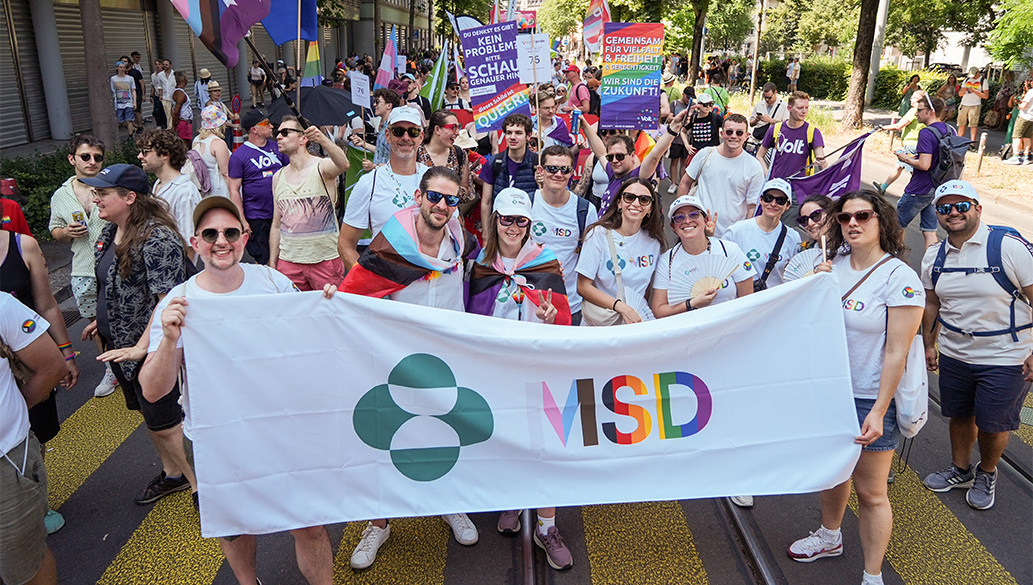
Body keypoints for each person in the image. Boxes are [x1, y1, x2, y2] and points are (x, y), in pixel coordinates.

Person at [138, 197, 335, 585]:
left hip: (284, 430)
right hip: (221, 438)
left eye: (230, 232)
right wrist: (168, 340)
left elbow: (312, 342)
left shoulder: (272, 282)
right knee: (234, 528)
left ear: (245, 238)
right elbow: (153, 390)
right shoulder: (178, 301)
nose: (221, 241)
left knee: (309, 525)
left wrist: (324, 306)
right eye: (210, 234)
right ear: (196, 243)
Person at [339, 167, 481, 569]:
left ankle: (450, 503)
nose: (442, 206)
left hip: (445, 357)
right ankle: (378, 524)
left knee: (449, 430)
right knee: (384, 437)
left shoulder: (461, 240)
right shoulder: (392, 244)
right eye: (435, 197)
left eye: (451, 200)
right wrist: (335, 297)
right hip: (394, 358)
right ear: (418, 196)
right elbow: (357, 291)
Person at [787, 191, 924, 585]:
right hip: (829, 391)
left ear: (882, 221)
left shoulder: (899, 277)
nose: (853, 224)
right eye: (845, 217)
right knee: (833, 475)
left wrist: (880, 410)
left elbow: (897, 351)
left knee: (871, 492)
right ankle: (830, 537)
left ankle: (872, 575)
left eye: (863, 216)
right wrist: (811, 290)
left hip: (869, 396)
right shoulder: (830, 265)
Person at [464, 188, 574, 570]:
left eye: (520, 220)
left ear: (529, 223)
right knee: (505, 439)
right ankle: (512, 499)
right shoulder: (479, 263)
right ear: (495, 220)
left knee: (542, 445)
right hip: (495, 370)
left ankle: (547, 527)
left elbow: (564, 322)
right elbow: (466, 314)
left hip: (535, 368)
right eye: (506, 219)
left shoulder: (545, 262)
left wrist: (549, 318)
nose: (513, 227)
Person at [79, 164, 193, 506]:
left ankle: (202, 488)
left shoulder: (157, 238)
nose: (95, 199)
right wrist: (102, 320)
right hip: (119, 347)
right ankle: (174, 474)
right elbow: (113, 284)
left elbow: (168, 303)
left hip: (151, 352)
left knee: (166, 421)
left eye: (103, 193)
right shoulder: (108, 231)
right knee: (152, 419)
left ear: (129, 198)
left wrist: (142, 347)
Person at [919, 180, 1033, 510]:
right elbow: (932, 303)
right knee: (959, 414)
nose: (953, 213)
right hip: (955, 353)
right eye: (944, 208)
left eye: (961, 206)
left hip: (1006, 355)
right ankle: (960, 469)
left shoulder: (1007, 247)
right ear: (937, 215)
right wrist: (929, 343)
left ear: (977, 209)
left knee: (993, 422)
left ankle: (986, 471)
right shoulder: (933, 256)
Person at [1, 227, 81, 535]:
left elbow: (47, 305)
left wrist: (66, 354)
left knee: (33, 431)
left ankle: (34, 494)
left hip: (32, 361)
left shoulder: (24, 246)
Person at [0, 291, 66, 585]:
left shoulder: (2, 306)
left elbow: (52, 367)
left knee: (25, 566)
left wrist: (14, 409)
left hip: (7, 464)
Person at [49, 135, 116, 397]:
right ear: (72, 159)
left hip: (115, 266)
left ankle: (139, 364)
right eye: (85, 157)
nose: (92, 162)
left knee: (126, 317)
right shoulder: (61, 195)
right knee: (96, 324)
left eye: (97, 157)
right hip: (83, 270)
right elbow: (54, 230)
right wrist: (66, 231)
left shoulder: (111, 187)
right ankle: (111, 369)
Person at [340, 106, 430, 267]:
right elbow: (345, 244)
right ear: (387, 136)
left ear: (421, 137)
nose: (406, 137)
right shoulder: (369, 183)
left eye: (413, 132)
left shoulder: (434, 179)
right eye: (398, 131)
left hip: (432, 284)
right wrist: (368, 282)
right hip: (388, 285)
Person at [269, 116, 349, 291]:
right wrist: (273, 262)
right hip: (288, 263)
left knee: (327, 314)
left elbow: (343, 164)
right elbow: (276, 225)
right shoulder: (278, 177)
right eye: (277, 133)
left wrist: (322, 139)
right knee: (294, 316)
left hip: (324, 261)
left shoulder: (322, 167)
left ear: (303, 138)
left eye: (285, 132)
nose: (278, 137)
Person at [576, 178, 666, 325]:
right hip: (601, 323)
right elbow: (582, 286)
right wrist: (620, 307)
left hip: (633, 325)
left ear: (650, 208)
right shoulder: (598, 235)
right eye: (629, 197)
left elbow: (645, 288)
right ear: (619, 202)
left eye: (644, 200)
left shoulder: (654, 243)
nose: (636, 204)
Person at [651, 194, 754, 320]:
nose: (687, 221)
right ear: (673, 227)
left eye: (694, 214)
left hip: (728, 329)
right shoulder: (667, 261)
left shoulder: (730, 250)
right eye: (679, 217)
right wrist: (691, 304)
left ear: (705, 220)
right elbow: (658, 310)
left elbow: (747, 301)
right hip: (689, 333)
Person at [530, 145, 599, 325]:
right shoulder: (527, 203)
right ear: (540, 170)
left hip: (570, 303)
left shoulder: (585, 209)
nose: (558, 174)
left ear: (572, 172)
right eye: (552, 168)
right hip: (530, 300)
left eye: (565, 169)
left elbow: (592, 258)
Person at [677, 114, 765, 237]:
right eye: (729, 132)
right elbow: (685, 183)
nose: (734, 136)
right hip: (697, 230)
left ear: (746, 136)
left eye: (739, 133)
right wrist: (680, 216)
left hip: (731, 236)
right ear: (721, 133)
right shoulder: (705, 154)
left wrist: (745, 234)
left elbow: (752, 207)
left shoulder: (754, 167)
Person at [582, 110, 688, 212]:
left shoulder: (637, 176)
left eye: (620, 156)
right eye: (610, 157)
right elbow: (600, 153)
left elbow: (654, 156)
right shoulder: (612, 173)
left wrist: (673, 128)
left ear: (632, 156)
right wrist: (584, 125)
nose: (614, 161)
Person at [228, 108, 289, 265]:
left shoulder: (277, 147)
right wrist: (242, 220)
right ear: (254, 129)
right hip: (257, 215)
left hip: (282, 212)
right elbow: (234, 190)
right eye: (266, 123)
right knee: (264, 257)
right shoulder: (239, 156)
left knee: (284, 255)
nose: (271, 127)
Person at [724, 178, 801, 291]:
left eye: (780, 200)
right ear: (761, 200)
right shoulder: (736, 231)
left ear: (788, 205)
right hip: (742, 300)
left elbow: (795, 275)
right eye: (768, 198)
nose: (773, 204)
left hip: (775, 302)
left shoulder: (793, 238)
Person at [896, 96, 949, 249]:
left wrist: (905, 158)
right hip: (938, 188)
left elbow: (924, 165)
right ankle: (930, 267)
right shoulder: (948, 129)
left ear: (931, 111)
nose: (916, 114)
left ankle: (896, 261)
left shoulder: (926, 133)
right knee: (930, 231)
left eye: (919, 110)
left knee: (895, 226)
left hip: (920, 188)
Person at [136, 129, 202, 248]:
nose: (139, 156)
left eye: (145, 152)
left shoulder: (185, 192)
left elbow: (189, 243)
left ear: (165, 155)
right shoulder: (158, 183)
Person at [755, 91, 827, 185]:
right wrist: (767, 174)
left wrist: (822, 162)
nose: (804, 111)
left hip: (800, 188)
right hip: (777, 185)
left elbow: (822, 162)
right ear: (789, 108)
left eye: (806, 108)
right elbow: (759, 156)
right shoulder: (776, 129)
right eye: (800, 108)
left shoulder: (813, 132)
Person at [480, 113, 539, 222]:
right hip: (499, 224)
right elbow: (486, 202)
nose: (512, 137)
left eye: (518, 133)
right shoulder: (493, 162)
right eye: (508, 133)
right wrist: (487, 234)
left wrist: (542, 183)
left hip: (528, 226)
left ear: (529, 136)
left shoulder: (538, 163)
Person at [873, 91, 928, 195]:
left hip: (912, 145)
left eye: (912, 97)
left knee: (914, 171)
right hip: (915, 144)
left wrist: (883, 127)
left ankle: (918, 192)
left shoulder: (914, 111)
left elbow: (898, 126)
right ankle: (883, 187)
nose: (910, 99)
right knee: (899, 166)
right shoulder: (925, 111)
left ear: (917, 99)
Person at [418, 109, 472, 210]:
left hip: (450, 217)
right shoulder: (416, 154)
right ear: (437, 129)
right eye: (453, 128)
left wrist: (449, 191)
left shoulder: (460, 154)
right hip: (421, 217)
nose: (457, 133)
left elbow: (465, 191)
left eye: (458, 127)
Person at [349, 88, 402, 169]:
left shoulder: (394, 128)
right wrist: (363, 144)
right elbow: (381, 152)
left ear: (389, 105)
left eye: (377, 102)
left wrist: (374, 166)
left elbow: (398, 160)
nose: (374, 105)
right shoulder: (384, 126)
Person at [193, 105, 231, 198]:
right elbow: (225, 173)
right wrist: (234, 191)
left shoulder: (196, 140)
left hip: (203, 184)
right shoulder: (218, 143)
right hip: (219, 186)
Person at [681, 93, 723, 167]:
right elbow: (683, 131)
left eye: (711, 104)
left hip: (712, 155)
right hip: (697, 154)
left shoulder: (715, 118)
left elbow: (728, 130)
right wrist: (687, 145)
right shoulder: (693, 118)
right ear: (698, 105)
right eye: (705, 104)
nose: (708, 107)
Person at [749, 82, 789, 151]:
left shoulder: (784, 106)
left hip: (773, 143)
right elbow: (751, 124)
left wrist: (771, 121)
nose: (767, 99)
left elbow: (787, 126)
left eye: (769, 97)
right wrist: (756, 120)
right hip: (757, 140)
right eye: (765, 97)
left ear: (775, 93)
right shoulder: (759, 105)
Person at [1002, 80, 1033, 166]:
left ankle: (1016, 156)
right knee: (1027, 137)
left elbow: (1023, 106)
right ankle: (1026, 156)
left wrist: (1018, 105)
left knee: (1016, 136)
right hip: (1032, 118)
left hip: (1024, 116)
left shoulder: (1031, 92)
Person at [957, 67, 989, 148]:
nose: (973, 77)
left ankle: (972, 143)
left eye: (974, 75)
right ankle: (958, 141)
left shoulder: (983, 81)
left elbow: (986, 96)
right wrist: (964, 90)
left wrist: (974, 91)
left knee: (973, 125)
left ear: (978, 73)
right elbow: (960, 94)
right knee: (961, 124)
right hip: (964, 104)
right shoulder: (967, 79)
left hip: (975, 104)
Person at [110, 62, 138, 136]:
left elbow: (133, 90)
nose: (122, 69)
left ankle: (130, 136)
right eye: (120, 67)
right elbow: (112, 91)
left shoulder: (130, 78)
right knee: (120, 121)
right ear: (117, 68)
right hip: (118, 103)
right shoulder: (113, 79)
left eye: (123, 67)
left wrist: (134, 102)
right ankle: (133, 129)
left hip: (128, 102)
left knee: (129, 120)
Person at [169, 71, 194, 149]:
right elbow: (176, 111)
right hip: (183, 122)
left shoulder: (179, 91)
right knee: (186, 144)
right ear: (185, 79)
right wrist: (173, 125)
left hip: (184, 122)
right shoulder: (180, 93)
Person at [150, 59, 167, 129]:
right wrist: (151, 95)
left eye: (159, 64)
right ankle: (159, 124)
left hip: (164, 95)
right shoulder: (153, 75)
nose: (157, 66)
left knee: (164, 110)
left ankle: (164, 124)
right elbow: (153, 86)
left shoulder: (164, 74)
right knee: (156, 111)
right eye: (156, 64)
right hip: (157, 95)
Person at [158, 59, 175, 129]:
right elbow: (159, 86)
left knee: (174, 113)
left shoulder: (174, 74)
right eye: (163, 64)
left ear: (170, 65)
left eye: (166, 64)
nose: (165, 66)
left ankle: (174, 127)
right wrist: (160, 95)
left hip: (174, 97)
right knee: (168, 115)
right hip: (165, 97)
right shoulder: (160, 75)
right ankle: (170, 128)